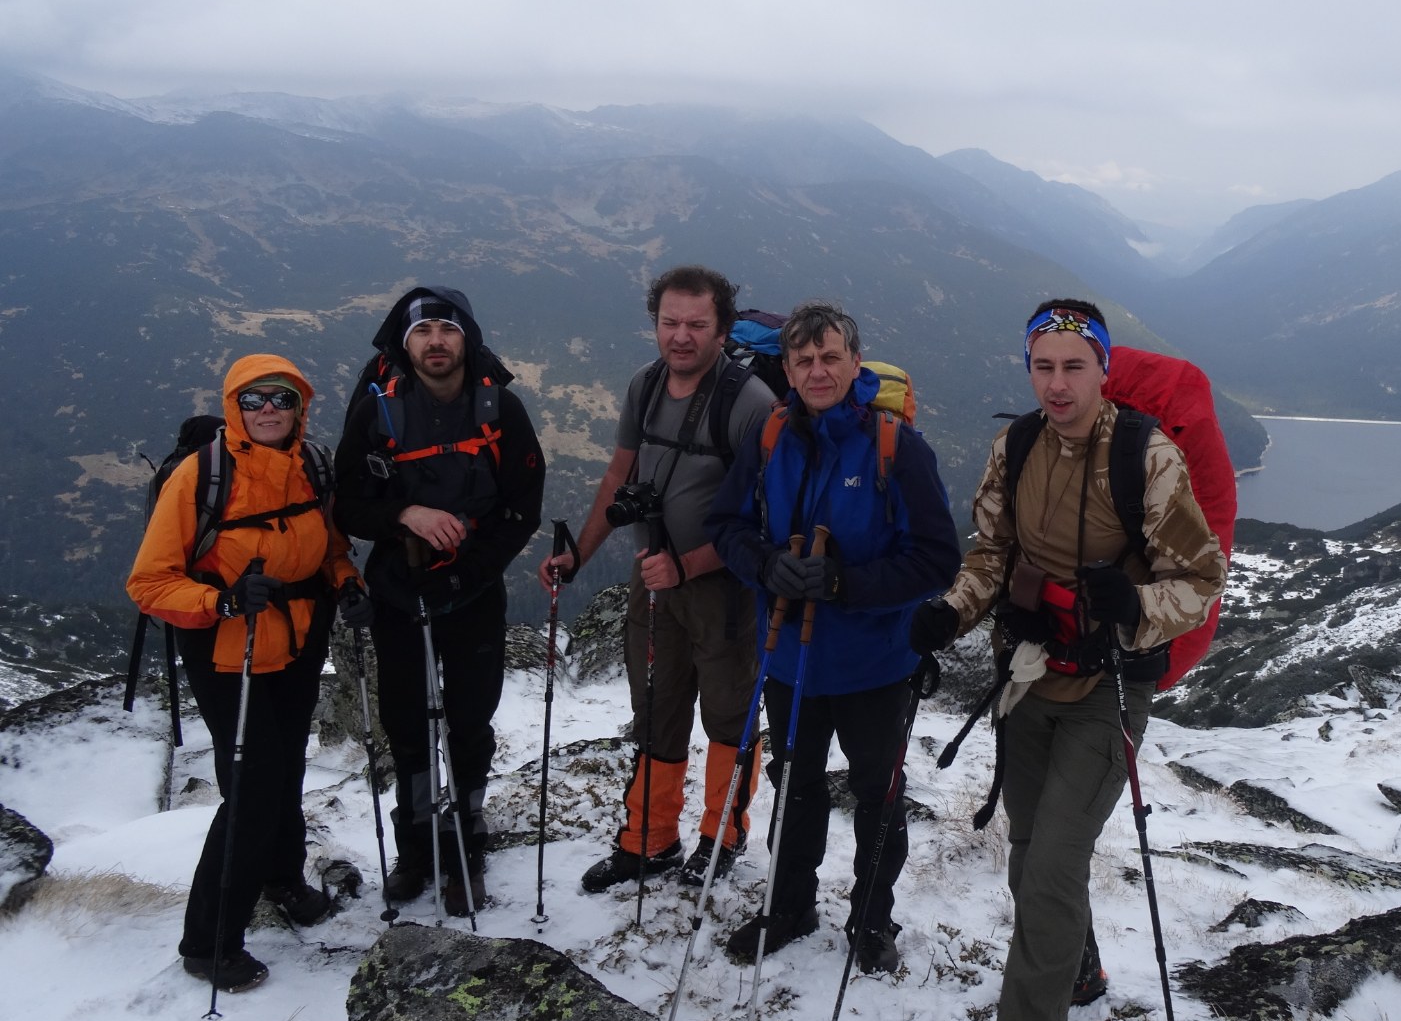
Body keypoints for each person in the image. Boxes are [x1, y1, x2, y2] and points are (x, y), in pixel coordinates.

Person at [908, 299, 1227, 1021]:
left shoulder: (1147, 457)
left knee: (1051, 866)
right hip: (1028, 678)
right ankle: (1078, 969)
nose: (1057, 384)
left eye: (1074, 367)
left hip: (1107, 689)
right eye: (1043, 367)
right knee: (1027, 859)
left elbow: (1201, 579)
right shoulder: (1015, 446)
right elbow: (993, 552)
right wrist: (950, 613)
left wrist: (1135, 606)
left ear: (1103, 369)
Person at [708, 299, 960, 973]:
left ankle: (872, 919)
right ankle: (790, 906)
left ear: (855, 362)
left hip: (875, 662)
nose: (817, 371)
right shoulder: (769, 437)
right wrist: (766, 565)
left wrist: (847, 583)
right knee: (795, 782)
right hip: (790, 660)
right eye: (803, 360)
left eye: (830, 357)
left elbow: (938, 559)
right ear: (787, 369)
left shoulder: (896, 448)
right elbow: (726, 525)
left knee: (877, 790)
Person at [127, 355, 368, 992]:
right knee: (254, 785)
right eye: (254, 398)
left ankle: (281, 879)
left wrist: (346, 582)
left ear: (299, 407)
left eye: (282, 398)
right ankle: (208, 943)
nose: (268, 409)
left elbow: (329, 546)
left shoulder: (313, 464)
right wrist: (223, 602)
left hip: (297, 641)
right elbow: (149, 583)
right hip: (226, 648)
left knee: (286, 766)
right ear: (234, 406)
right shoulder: (200, 476)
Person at [541, 265, 777, 892]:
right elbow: (618, 475)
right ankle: (649, 840)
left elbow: (766, 520)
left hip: (723, 591)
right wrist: (579, 555)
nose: (680, 336)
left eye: (696, 324)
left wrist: (687, 565)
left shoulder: (750, 403)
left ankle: (722, 837)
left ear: (722, 329)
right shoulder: (645, 387)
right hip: (653, 582)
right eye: (669, 322)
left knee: (728, 716)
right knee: (655, 709)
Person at [334, 287, 545, 915]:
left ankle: (465, 847)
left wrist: (467, 573)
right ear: (405, 345)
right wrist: (407, 514)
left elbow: (521, 508)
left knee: (469, 721)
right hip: (399, 592)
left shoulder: (500, 410)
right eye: (422, 332)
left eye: (447, 330)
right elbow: (348, 505)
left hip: (473, 594)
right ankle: (417, 847)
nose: (435, 342)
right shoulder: (377, 412)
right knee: (406, 724)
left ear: (467, 339)